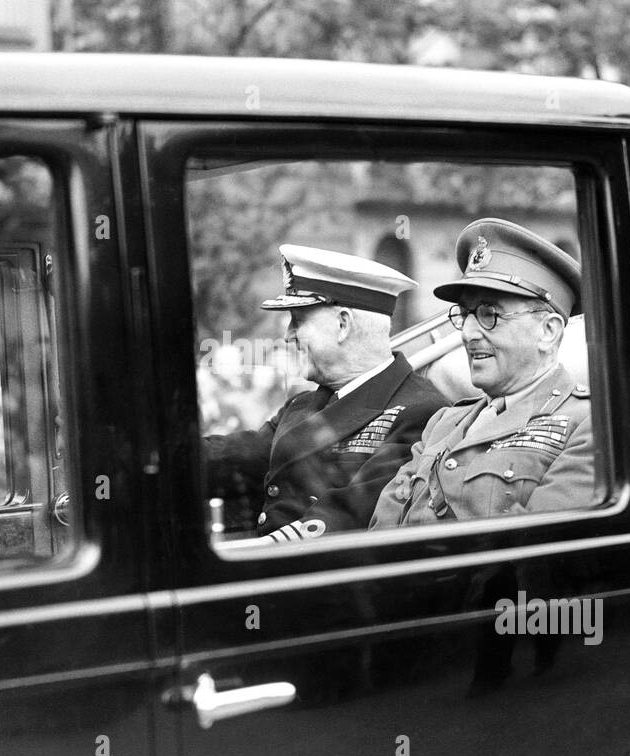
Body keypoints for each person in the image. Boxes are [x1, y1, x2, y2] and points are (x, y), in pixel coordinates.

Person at [205, 244, 447, 542]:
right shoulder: (304, 404)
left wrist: (249, 557)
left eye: (298, 320)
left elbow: (348, 514)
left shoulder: (422, 412)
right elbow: (240, 454)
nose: (287, 335)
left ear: (343, 324)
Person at [372, 219, 595, 527]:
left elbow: (533, 551)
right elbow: (380, 530)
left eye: (489, 314)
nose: (468, 333)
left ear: (548, 331)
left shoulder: (590, 424)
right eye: (465, 314)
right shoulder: (443, 422)